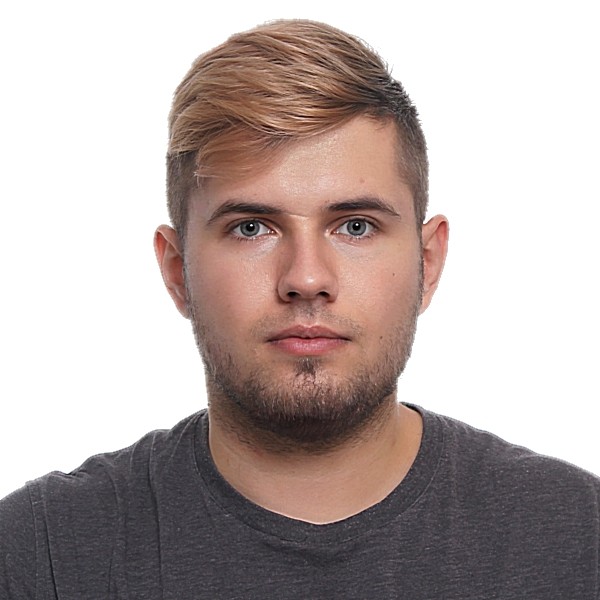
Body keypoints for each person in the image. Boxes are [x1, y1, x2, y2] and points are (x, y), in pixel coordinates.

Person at [1, 18, 598, 599]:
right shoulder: (39, 554)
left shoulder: (577, 540)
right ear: (178, 270)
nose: (306, 278)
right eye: (251, 227)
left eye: (355, 226)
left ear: (428, 261)